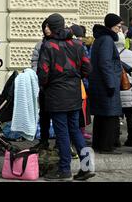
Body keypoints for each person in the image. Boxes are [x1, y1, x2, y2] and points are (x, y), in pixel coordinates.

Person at [37, 13, 93, 181]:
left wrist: (46, 86)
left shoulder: (48, 46)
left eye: (48, 25)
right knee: (75, 130)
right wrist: (76, 78)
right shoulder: (77, 44)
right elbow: (87, 68)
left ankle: (64, 170)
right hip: (74, 93)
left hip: (56, 95)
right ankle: (87, 166)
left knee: (62, 133)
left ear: (53, 27)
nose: (45, 28)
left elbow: (43, 73)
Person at [89, 13, 123, 155]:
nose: (120, 29)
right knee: (109, 115)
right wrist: (111, 84)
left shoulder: (100, 39)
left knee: (101, 115)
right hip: (106, 84)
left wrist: (125, 67)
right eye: (118, 26)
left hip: (99, 83)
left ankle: (98, 144)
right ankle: (106, 146)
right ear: (111, 26)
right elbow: (105, 63)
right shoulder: (107, 40)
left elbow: (109, 60)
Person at [31, 19, 53, 149]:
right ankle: (43, 140)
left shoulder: (60, 43)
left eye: (49, 27)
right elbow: (34, 61)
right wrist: (37, 76)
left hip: (56, 86)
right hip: (43, 85)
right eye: (45, 27)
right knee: (43, 114)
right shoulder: (40, 44)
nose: (46, 29)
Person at [115, 31, 132, 147]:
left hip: (118, 90)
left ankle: (116, 140)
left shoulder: (112, 54)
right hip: (130, 90)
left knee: (116, 116)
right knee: (130, 115)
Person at [70, 24, 92, 140]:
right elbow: (87, 65)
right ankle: (80, 132)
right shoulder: (81, 46)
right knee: (81, 110)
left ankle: (79, 132)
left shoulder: (72, 45)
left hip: (78, 82)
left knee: (79, 110)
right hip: (81, 82)